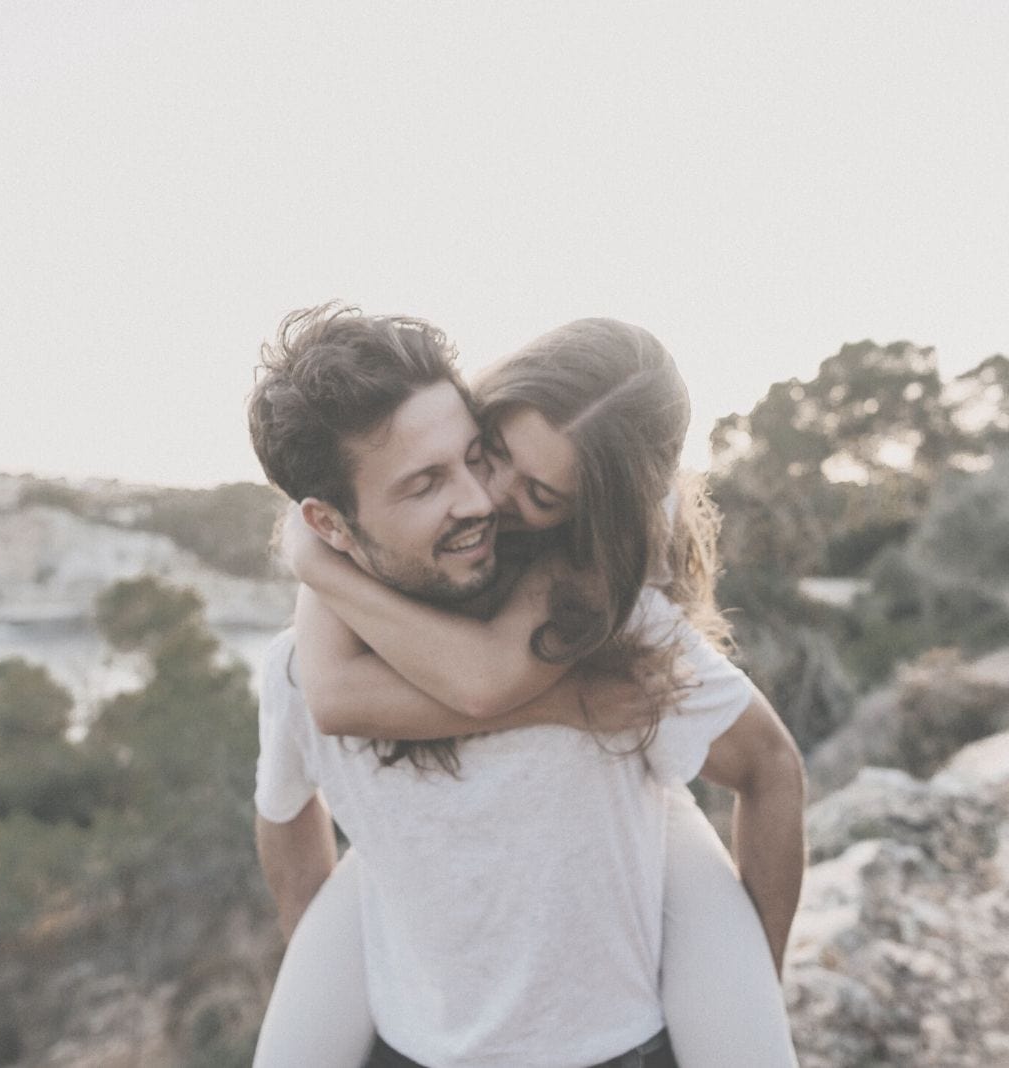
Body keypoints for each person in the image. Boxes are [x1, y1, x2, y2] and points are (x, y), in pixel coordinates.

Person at [249, 306, 804, 1068]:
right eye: (436, 479)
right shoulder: (299, 663)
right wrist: (345, 973)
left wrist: (747, 993)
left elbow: (770, 766)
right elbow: (288, 801)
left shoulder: (610, 628)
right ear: (330, 523)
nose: (484, 500)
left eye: (475, 460)